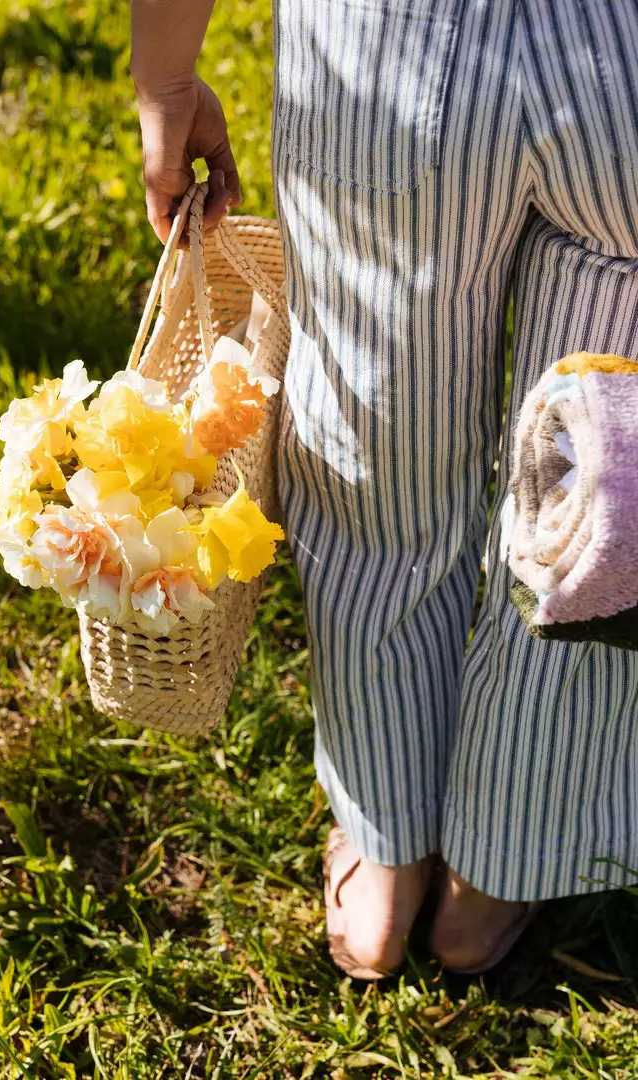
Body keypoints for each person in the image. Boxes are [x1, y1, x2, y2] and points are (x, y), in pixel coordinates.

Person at [131, 0, 638, 979]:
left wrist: (166, 78)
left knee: (374, 480)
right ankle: (503, 862)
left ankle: (386, 846)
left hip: (386, 59)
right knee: (606, 496)